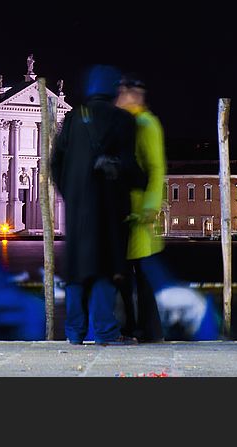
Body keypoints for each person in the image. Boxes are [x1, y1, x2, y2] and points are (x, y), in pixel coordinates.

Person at [51, 65, 144, 345]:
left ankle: (74, 333)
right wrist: (141, 179)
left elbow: (55, 164)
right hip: (109, 209)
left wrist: (71, 193)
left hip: (78, 211)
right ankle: (105, 331)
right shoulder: (123, 121)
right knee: (105, 269)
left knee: (77, 272)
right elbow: (129, 167)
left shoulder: (73, 119)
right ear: (112, 89)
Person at [116, 73, 166, 342]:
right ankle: (136, 329)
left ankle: (144, 330)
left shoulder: (146, 123)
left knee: (137, 275)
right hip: (127, 212)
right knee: (127, 273)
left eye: (122, 94)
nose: (119, 98)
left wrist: (149, 207)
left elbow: (156, 168)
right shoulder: (130, 121)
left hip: (139, 214)